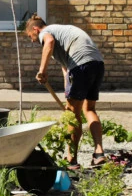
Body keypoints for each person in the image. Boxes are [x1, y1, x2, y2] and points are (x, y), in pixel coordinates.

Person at [25, 14, 105, 169]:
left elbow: (49, 42)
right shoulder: (62, 32)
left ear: (35, 29)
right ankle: (99, 153)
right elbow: (66, 70)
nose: (33, 40)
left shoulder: (46, 33)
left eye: (30, 36)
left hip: (81, 65)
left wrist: (42, 70)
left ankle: (71, 160)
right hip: (97, 64)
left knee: (73, 115)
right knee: (89, 109)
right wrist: (67, 92)